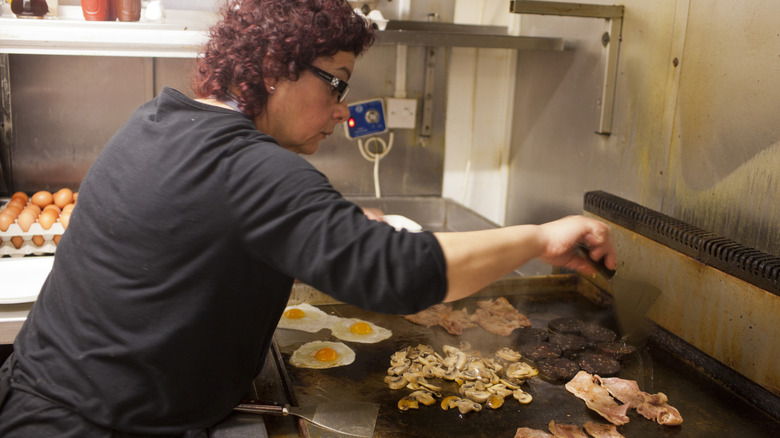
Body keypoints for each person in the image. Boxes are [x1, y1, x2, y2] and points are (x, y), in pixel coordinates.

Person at [0, 0, 617, 436]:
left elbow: (230, 216)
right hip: (89, 426)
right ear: (274, 67)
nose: (343, 112)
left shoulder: (163, 120)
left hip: (40, 397)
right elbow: (397, 273)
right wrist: (539, 235)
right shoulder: (251, 166)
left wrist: (336, 219)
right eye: (337, 83)